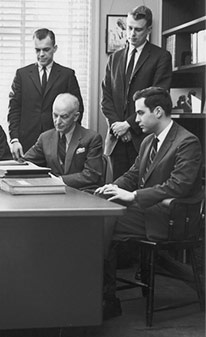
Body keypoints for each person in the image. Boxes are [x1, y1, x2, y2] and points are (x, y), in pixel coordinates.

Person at [95, 87, 203, 319]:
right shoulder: (147, 142)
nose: (135, 119)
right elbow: (134, 174)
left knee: (103, 221)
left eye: (140, 113)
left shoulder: (187, 142)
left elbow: (179, 185)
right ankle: (103, 296)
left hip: (173, 217)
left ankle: (106, 297)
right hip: (148, 210)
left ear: (158, 111)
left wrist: (133, 196)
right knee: (100, 209)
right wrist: (112, 187)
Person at [102, 5, 172, 180]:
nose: (132, 33)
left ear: (148, 29)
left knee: (143, 190)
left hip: (144, 137)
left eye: (138, 29)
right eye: (130, 28)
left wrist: (129, 124)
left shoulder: (161, 57)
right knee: (118, 188)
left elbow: (158, 97)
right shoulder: (115, 58)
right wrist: (117, 126)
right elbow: (106, 98)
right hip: (117, 138)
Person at [8, 28, 84, 160]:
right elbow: (14, 109)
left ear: (55, 48)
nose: (41, 54)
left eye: (46, 49)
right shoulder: (22, 75)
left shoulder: (67, 75)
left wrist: (69, 140)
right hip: (26, 143)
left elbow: (78, 110)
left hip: (58, 143)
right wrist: (14, 140)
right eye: (37, 50)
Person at [24, 93, 103, 192]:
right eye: (55, 115)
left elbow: (92, 174)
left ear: (76, 117)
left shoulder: (92, 138)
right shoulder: (45, 138)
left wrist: (60, 180)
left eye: (64, 117)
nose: (57, 121)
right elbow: (25, 162)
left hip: (82, 192)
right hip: (53, 194)